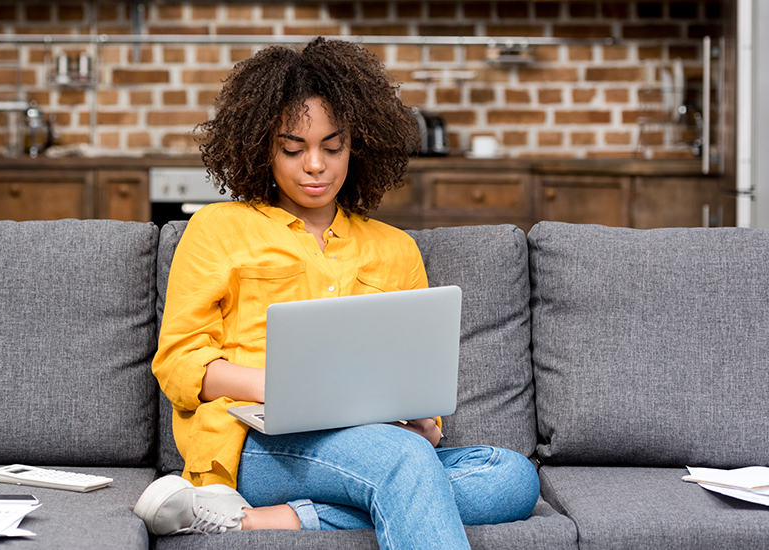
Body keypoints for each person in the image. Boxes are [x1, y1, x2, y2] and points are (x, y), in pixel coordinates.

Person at [132, 38, 540, 549]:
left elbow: (417, 383)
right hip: (256, 442)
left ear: (358, 145)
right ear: (263, 146)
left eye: (332, 146)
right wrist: (286, 389)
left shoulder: (394, 249)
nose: (315, 166)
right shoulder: (218, 228)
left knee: (511, 476)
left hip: (376, 441)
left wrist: (423, 426)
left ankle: (264, 521)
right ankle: (376, 480)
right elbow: (180, 362)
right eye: (293, 148)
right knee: (403, 462)